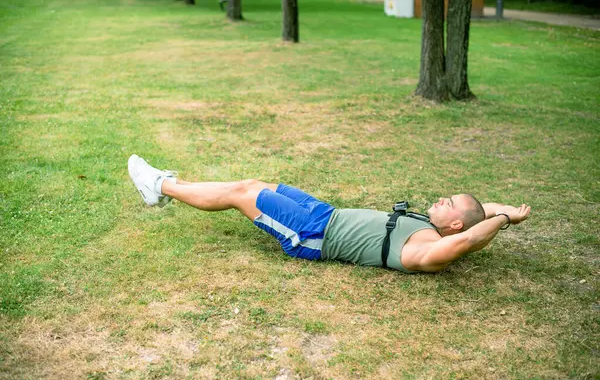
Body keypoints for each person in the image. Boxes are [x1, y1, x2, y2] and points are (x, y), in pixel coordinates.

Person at [127, 154, 531, 273]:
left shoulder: (427, 249)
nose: (440, 200)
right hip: (326, 213)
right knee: (257, 183)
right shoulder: (436, 225)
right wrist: (506, 212)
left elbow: (472, 236)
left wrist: (502, 220)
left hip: (314, 235)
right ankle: (163, 186)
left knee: (242, 192)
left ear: (456, 224)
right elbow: (481, 217)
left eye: (448, 203)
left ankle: (160, 186)